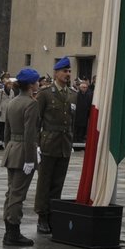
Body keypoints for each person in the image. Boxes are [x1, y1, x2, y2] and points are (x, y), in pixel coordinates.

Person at [34, 57, 77, 236]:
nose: (67, 74)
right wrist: (36, 144)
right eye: (64, 71)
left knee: (58, 182)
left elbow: (72, 121)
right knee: (45, 182)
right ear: (56, 73)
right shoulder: (45, 93)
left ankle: (53, 214)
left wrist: (71, 141)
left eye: (69, 71)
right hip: (48, 142)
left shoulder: (73, 94)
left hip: (64, 143)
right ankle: (42, 216)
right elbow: (36, 121)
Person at [2, 67, 41, 246]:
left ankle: (8, 230)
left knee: (10, 192)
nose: (38, 84)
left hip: (12, 150)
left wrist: (9, 149)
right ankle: (13, 232)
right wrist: (30, 159)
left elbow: (6, 133)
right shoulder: (31, 103)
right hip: (24, 151)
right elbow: (30, 134)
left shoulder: (12, 102)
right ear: (31, 85)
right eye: (37, 81)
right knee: (18, 195)